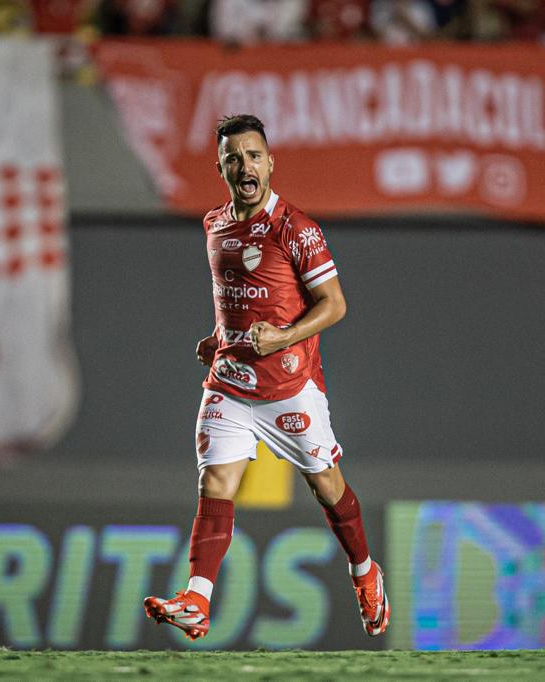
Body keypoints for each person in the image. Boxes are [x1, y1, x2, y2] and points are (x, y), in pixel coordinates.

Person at [143, 114, 389, 641]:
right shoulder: (215, 225)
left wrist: (283, 337)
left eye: (254, 155)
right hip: (229, 380)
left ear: (270, 162)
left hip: (288, 386)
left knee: (326, 486)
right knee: (215, 482)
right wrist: (217, 339)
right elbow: (233, 300)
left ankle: (365, 571)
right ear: (221, 168)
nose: (245, 166)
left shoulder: (295, 229)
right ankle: (197, 600)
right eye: (234, 158)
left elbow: (335, 304)